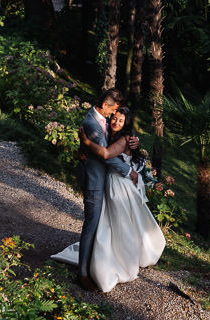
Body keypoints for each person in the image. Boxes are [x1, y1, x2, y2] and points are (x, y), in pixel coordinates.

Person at [52, 105, 165, 293]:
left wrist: (86, 143)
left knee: (119, 224)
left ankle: (120, 260)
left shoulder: (123, 139)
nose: (115, 122)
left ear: (126, 124)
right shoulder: (110, 134)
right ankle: (107, 254)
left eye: (121, 120)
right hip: (111, 182)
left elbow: (105, 154)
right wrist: (84, 152)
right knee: (112, 223)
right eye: (115, 118)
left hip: (119, 185)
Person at [51, 88, 137, 292]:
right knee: (91, 224)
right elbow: (105, 154)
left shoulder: (102, 118)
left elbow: (115, 135)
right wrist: (129, 171)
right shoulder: (92, 122)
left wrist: (132, 139)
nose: (112, 116)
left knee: (99, 224)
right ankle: (82, 274)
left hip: (102, 179)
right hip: (94, 181)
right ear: (106, 105)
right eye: (112, 111)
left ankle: (95, 264)